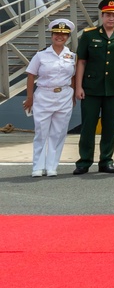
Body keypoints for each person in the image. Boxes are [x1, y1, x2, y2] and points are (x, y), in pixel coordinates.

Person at [74, 0, 114, 175]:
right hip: (91, 88)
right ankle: (84, 162)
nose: (111, 18)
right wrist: (78, 87)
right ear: (102, 16)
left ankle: (106, 161)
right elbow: (82, 62)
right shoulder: (89, 34)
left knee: (110, 126)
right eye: (108, 15)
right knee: (88, 126)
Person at [24, 19, 77, 177]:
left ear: (68, 37)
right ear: (52, 35)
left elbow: (73, 77)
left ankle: (52, 166)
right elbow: (31, 75)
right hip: (43, 95)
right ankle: (37, 167)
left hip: (65, 96)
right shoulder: (40, 55)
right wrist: (29, 98)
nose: (60, 37)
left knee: (58, 133)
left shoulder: (72, 56)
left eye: (64, 34)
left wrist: (73, 96)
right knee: (41, 132)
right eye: (57, 34)